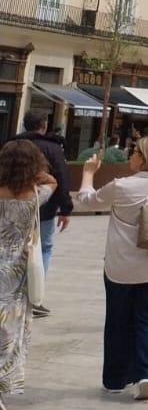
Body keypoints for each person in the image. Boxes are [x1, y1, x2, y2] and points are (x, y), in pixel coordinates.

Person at [76, 136, 148, 401]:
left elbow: (87, 200)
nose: (130, 156)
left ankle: (115, 379)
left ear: (143, 157)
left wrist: (88, 174)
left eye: (133, 152)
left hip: (121, 267)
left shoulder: (121, 186)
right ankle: (147, 373)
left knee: (118, 322)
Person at [0, 137, 55, 410]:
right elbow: (53, 182)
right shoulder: (35, 194)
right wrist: (36, 172)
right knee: (11, 329)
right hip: (18, 269)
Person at [19, 111, 70, 318]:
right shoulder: (53, 148)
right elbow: (61, 176)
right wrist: (66, 208)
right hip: (45, 207)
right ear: (44, 126)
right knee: (44, 247)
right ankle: (35, 296)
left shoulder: (11, 145)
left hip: (12, 204)